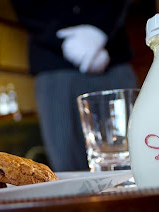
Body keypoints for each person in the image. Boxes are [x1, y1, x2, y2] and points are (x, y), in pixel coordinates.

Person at [11, 0, 138, 171]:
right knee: (68, 165)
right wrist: (58, 37)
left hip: (112, 55)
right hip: (54, 63)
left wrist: (101, 30)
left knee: (130, 157)